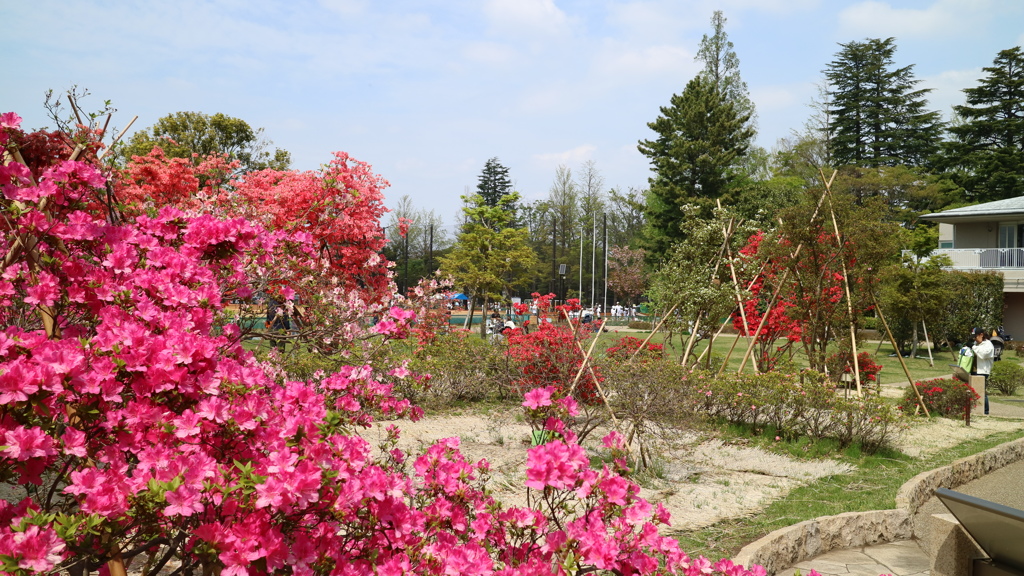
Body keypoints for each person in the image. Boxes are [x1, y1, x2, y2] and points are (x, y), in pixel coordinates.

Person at [971, 328, 995, 415]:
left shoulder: (988, 344)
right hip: (974, 370)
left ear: (981, 334)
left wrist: (973, 347)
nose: (974, 339)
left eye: (976, 336)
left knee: (981, 392)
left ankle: (985, 411)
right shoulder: (976, 343)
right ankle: (974, 410)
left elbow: (983, 355)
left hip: (982, 371)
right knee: (973, 391)